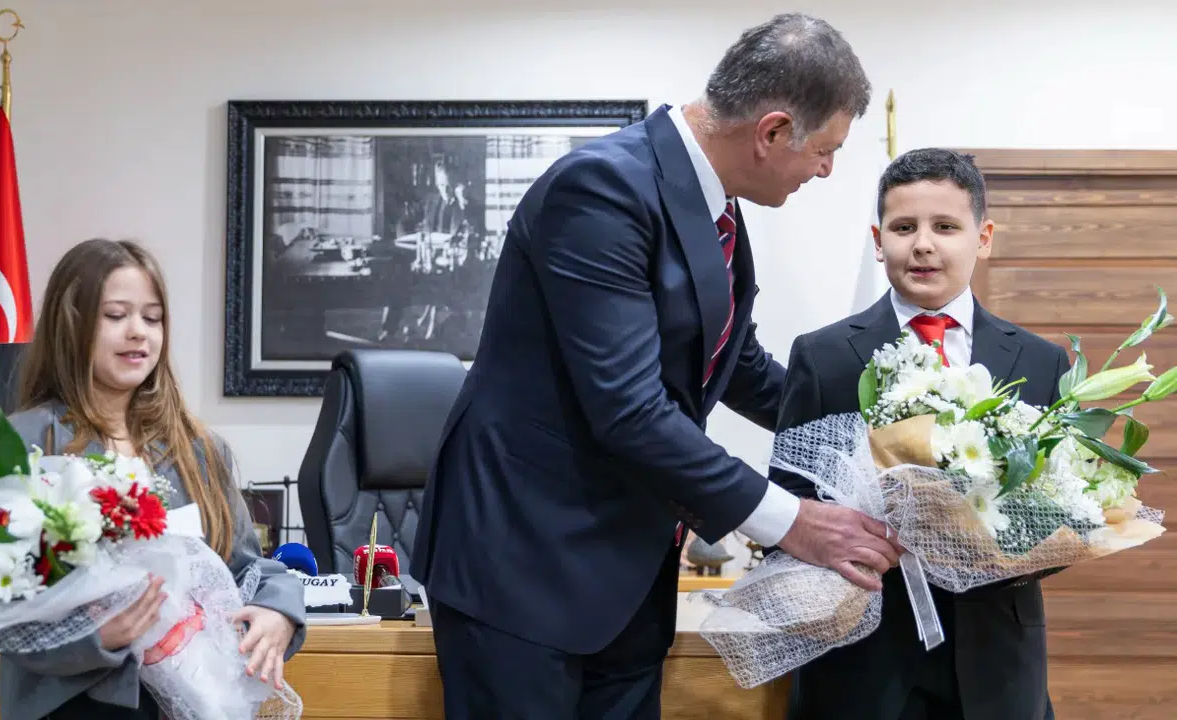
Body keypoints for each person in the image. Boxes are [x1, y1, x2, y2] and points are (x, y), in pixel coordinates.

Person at [411, 13, 903, 719]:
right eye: (824, 150)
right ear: (771, 132)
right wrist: (790, 519)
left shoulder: (710, 203)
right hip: (526, 562)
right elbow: (630, 410)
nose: (825, 170)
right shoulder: (601, 190)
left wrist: (889, 431)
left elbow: (736, 365)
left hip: (627, 571)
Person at [771, 148, 1067, 720]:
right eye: (904, 227)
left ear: (983, 238)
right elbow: (790, 495)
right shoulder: (824, 355)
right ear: (878, 241)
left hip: (996, 652)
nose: (923, 244)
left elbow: (1060, 505)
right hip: (861, 650)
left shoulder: (1040, 360)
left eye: (946, 227)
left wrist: (1000, 548)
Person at [0, 239, 307, 720]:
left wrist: (280, 611)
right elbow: (1, 607)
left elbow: (246, 569)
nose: (138, 332)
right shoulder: (29, 442)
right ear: (71, 324)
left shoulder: (199, 449)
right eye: (116, 315)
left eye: (153, 317)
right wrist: (94, 639)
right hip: (75, 707)